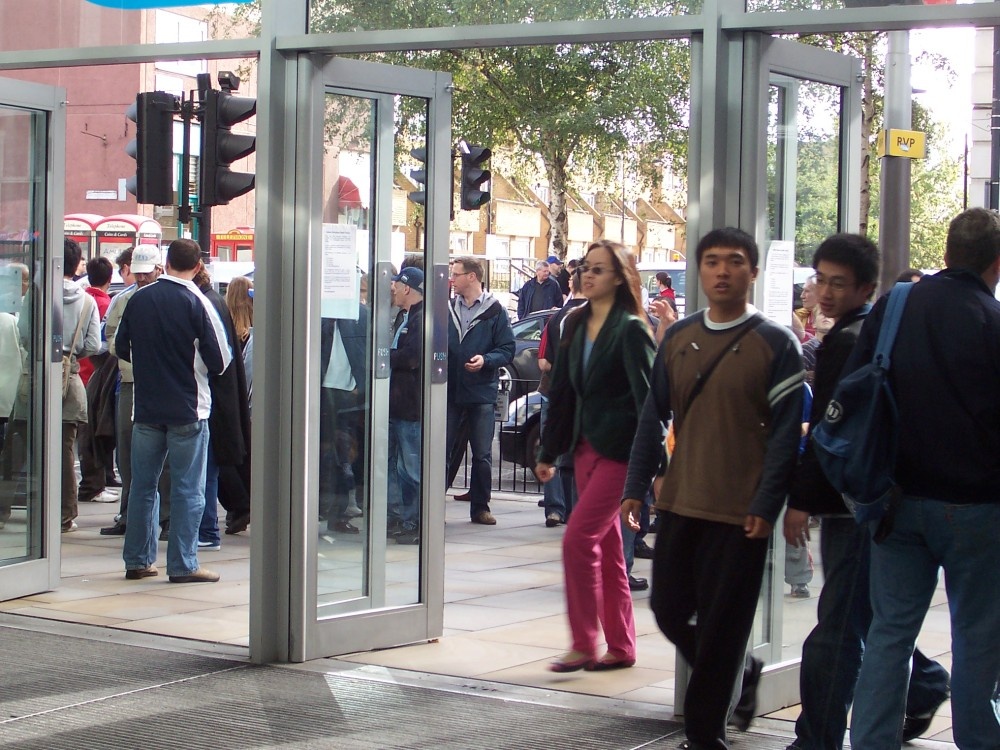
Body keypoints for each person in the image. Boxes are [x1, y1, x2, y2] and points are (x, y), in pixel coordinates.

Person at [622, 227, 804, 749]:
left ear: (753, 271)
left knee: (724, 626)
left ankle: (705, 736)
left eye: (735, 261)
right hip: (682, 501)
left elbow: (786, 437)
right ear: (699, 270)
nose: (723, 271)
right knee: (667, 610)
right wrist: (636, 484)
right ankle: (739, 672)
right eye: (712, 261)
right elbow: (653, 417)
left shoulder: (777, 343)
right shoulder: (678, 337)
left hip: (741, 513)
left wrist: (768, 503)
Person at [783, 233, 950, 750]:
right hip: (870, 499)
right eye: (821, 280)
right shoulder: (868, 335)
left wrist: (802, 500)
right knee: (864, 614)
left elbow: (830, 428)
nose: (826, 292)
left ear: (866, 288)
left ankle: (817, 739)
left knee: (838, 628)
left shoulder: (848, 342)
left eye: (839, 283)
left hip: (849, 504)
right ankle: (926, 683)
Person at [848, 208, 1000, 749]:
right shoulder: (992, 321)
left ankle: (871, 741)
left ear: (947, 253)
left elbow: (857, 389)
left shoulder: (896, 306)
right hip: (977, 507)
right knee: (977, 637)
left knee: (889, 632)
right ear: (996, 262)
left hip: (896, 502)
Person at [536, 239, 655, 673]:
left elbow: (651, 403)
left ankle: (584, 643)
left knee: (578, 540)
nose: (588, 275)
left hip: (621, 454)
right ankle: (621, 646)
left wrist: (651, 472)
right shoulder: (573, 322)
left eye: (599, 269)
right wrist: (548, 451)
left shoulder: (631, 329)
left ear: (620, 278)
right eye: (586, 267)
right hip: (585, 450)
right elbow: (563, 392)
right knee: (607, 552)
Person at [115, 238, 231, 583]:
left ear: (165, 263)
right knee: (187, 489)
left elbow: (120, 346)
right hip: (188, 408)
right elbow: (220, 360)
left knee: (142, 486)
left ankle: (138, 560)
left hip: (146, 408)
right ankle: (183, 564)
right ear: (198, 266)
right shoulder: (198, 302)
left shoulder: (139, 299)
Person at [100, 246, 163, 537]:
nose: (141, 278)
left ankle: (165, 517)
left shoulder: (168, 297)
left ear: (159, 269)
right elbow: (110, 336)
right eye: (137, 273)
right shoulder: (122, 299)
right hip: (130, 380)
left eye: (146, 273)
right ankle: (128, 515)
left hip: (158, 382)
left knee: (164, 455)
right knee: (126, 453)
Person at [446, 257, 514, 526]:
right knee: (443, 450)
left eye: (456, 274)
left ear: (472, 276)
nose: (452, 279)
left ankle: (480, 507)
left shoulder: (496, 311)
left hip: (481, 393)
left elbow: (507, 349)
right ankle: (432, 508)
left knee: (482, 454)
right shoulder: (448, 307)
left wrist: (486, 360)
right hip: (450, 391)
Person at [193, 266, 251, 552]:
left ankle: (210, 526)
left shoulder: (207, 304)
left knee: (209, 465)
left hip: (213, 398)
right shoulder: (216, 304)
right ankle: (220, 519)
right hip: (227, 399)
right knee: (216, 462)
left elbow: (218, 360)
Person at [536, 267, 587, 528]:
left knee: (556, 453)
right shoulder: (603, 320)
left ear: (570, 284)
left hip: (555, 392)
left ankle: (556, 509)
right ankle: (576, 511)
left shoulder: (556, 318)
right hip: (585, 401)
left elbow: (544, 361)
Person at [58, 239, 102, 532]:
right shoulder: (87, 302)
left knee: (19, 444)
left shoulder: (37, 292)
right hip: (70, 381)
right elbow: (94, 344)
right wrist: (71, 355)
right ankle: (65, 514)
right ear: (76, 266)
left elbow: (24, 333)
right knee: (65, 451)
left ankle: (4, 508)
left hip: (34, 380)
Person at [386, 267, 424, 545]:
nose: (393, 290)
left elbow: (412, 357)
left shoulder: (422, 319)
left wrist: (385, 355)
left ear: (407, 288)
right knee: (400, 468)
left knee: (411, 468)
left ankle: (415, 522)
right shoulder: (407, 316)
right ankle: (404, 518)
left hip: (410, 407)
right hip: (400, 405)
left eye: (396, 286)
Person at [77, 256, 119, 506]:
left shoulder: (84, 298)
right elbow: (99, 343)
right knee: (93, 435)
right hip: (95, 375)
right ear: (110, 277)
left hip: (77, 373)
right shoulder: (105, 304)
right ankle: (94, 484)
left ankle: (100, 480)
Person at [221, 275, 253, 535]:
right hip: (248, 401)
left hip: (228, 399)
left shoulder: (225, 325)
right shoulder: (254, 330)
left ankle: (239, 505)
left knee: (225, 455)